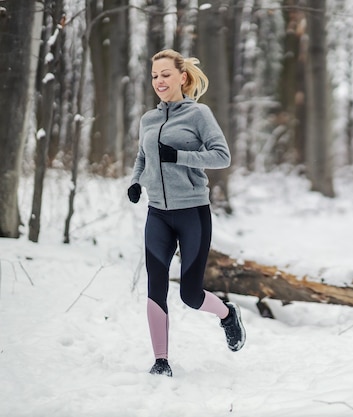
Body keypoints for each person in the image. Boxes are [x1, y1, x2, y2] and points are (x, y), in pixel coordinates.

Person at [128, 49, 245, 377]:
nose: (159, 81)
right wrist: (136, 182)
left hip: (193, 212)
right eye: (154, 76)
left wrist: (179, 156)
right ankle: (161, 361)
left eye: (165, 74)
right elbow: (142, 156)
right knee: (156, 286)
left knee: (190, 295)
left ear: (182, 77)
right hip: (158, 215)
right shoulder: (148, 120)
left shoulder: (199, 115)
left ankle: (227, 315)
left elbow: (222, 157)